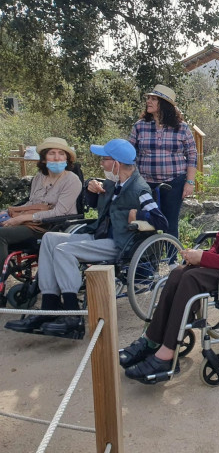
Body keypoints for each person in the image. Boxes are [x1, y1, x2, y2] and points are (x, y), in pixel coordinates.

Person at [119, 165, 219, 383]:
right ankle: (152, 339)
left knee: (190, 278)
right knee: (178, 272)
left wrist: (203, 259)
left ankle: (167, 353)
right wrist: (199, 256)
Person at [4, 139, 167, 339]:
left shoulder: (139, 189)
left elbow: (161, 221)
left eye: (104, 160)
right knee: (49, 239)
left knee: (64, 250)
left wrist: (139, 216)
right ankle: (49, 306)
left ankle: (73, 315)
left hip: (121, 243)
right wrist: (90, 188)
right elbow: (96, 205)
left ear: (116, 163)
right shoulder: (114, 183)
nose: (101, 163)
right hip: (100, 234)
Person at [0, 137, 82, 267]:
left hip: (49, 226)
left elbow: (60, 212)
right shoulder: (39, 177)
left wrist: (22, 218)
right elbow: (32, 203)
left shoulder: (72, 180)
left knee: (1, 235)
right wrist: (10, 212)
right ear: (44, 159)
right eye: (52, 153)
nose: (57, 158)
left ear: (67, 159)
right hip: (29, 222)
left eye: (61, 154)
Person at [128, 84, 197, 239]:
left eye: (154, 99)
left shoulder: (181, 128)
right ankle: (148, 259)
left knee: (170, 222)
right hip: (145, 183)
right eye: (148, 98)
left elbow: (192, 155)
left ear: (164, 105)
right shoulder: (140, 126)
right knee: (145, 221)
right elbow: (130, 154)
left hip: (174, 182)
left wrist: (190, 182)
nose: (148, 101)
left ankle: (172, 261)